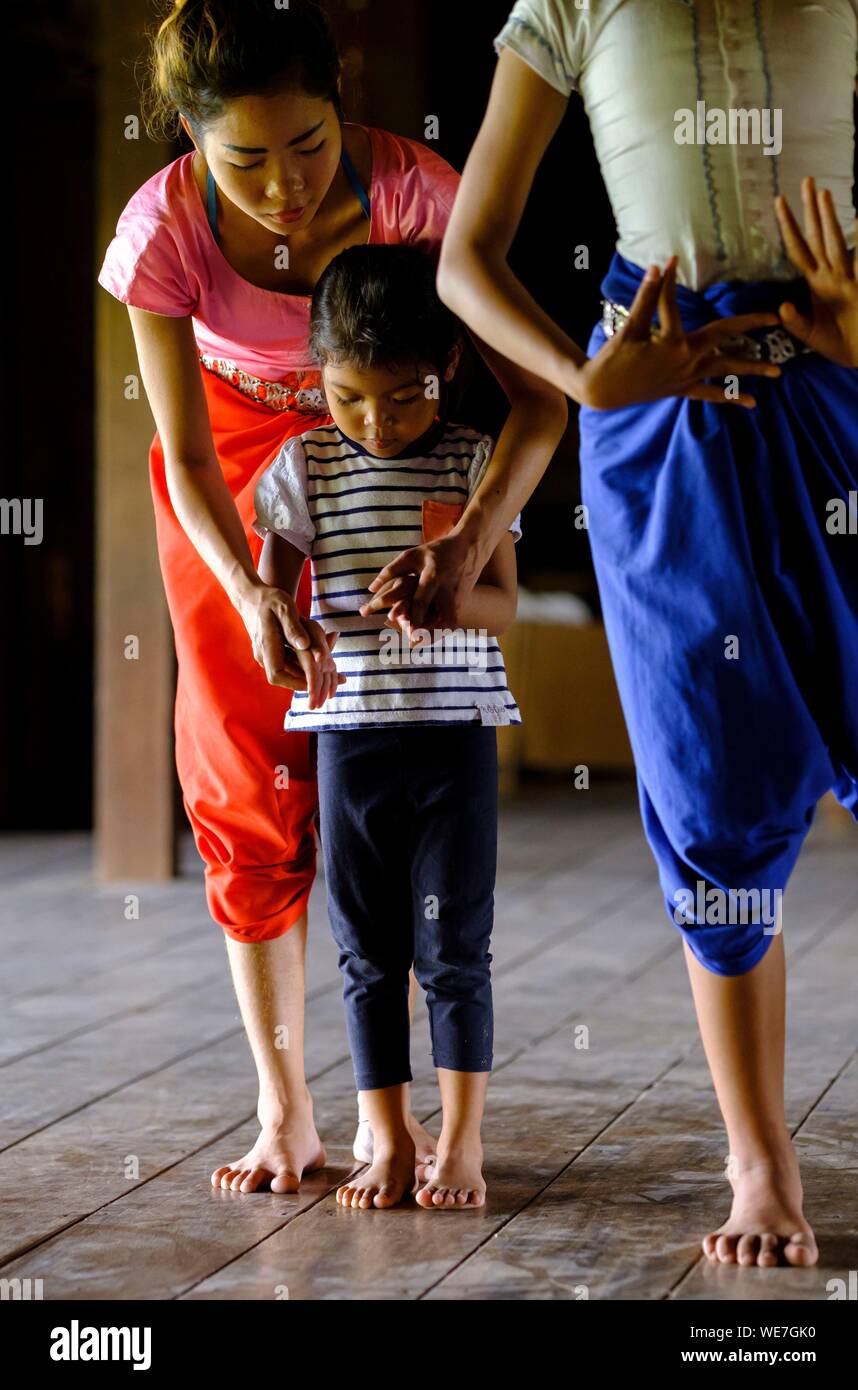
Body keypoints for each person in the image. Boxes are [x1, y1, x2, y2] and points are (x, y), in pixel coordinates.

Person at [369, 0, 858, 1265]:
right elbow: (463, 259)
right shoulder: (571, 5)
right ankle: (757, 1161)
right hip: (661, 408)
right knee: (709, 787)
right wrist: (584, 380)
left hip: (841, 381)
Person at [97, 0, 566, 1194]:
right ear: (190, 140)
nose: (285, 184)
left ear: (341, 103)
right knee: (239, 762)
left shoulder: (417, 192)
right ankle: (285, 1108)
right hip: (234, 485)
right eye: (243, 158)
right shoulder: (163, 231)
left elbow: (531, 400)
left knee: (388, 756)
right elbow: (190, 455)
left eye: (307, 144)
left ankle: (399, 1110)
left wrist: (466, 538)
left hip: (397, 456)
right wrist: (254, 592)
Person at [253, 244, 525, 1209]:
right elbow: (268, 601)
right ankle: (389, 1139)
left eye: (404, 397)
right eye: (348, 397)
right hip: (348, 738)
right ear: (314, 376)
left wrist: (450, 596)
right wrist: (269, 615)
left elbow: (504, 606)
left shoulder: (471, 460)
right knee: (368, 949)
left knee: (456, 946)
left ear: (448, 366)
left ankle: (461, 1143)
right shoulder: (302, 466)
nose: (376, 422)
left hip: (454, 732)